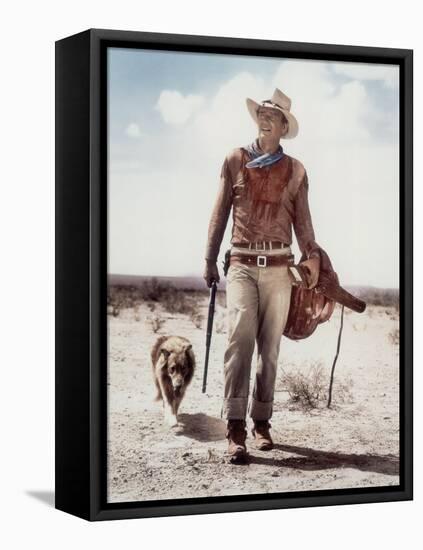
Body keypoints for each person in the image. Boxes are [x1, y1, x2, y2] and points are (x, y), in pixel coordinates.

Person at [203, 88, 321, 460]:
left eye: (275, 115)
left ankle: (262, 422)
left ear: (285, 127)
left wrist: (313, 257)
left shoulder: (296, 170)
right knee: (239, 343)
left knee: (269, 349)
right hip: (240, 264)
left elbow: (303, 223)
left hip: (280, 268)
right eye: (263, 112)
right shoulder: (235, 160)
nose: (266, 117)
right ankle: (235, 425)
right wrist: (209, 258)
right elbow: (220, 211)